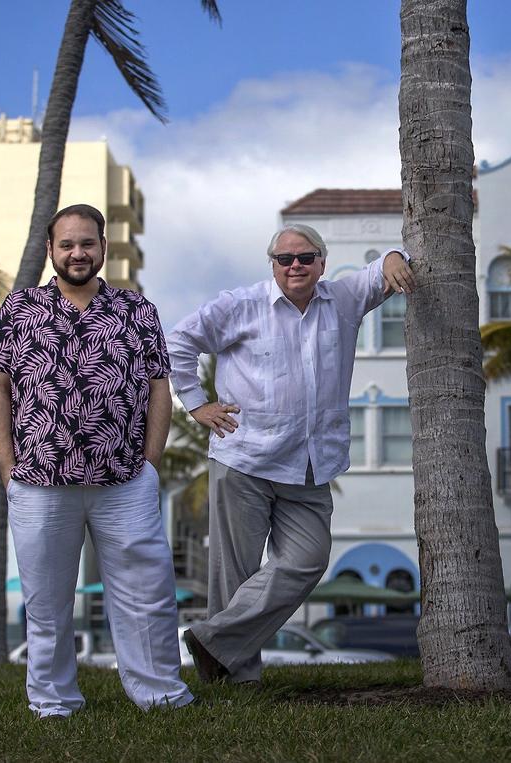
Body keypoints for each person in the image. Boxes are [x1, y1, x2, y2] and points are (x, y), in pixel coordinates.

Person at [168, 223, 415, 686]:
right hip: (244, 459)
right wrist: (197, 404)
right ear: (273, 265)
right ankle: (235, 681)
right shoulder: (240, 305)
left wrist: (394, 256)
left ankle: (212, 639)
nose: (295, 266)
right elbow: (180, 341)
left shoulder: (342, 300)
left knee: (308, 559)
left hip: (310, 467)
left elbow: (380, 269)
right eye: (285, 259)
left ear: (322, 262)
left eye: (305, 258)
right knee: (235, 574)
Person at [0, 203, 193, 718]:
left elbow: (159, 388)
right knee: (46, 601)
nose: (78, 253)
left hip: (124, 481)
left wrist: (150, 465)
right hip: (39, 482)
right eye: (67, 244)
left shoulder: (136, 310)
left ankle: (160, 694)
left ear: (103, 246)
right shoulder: (19, 308)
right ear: (51, 250)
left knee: (147, 594)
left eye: (87, 243)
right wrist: (8, 469)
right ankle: (53, 701)